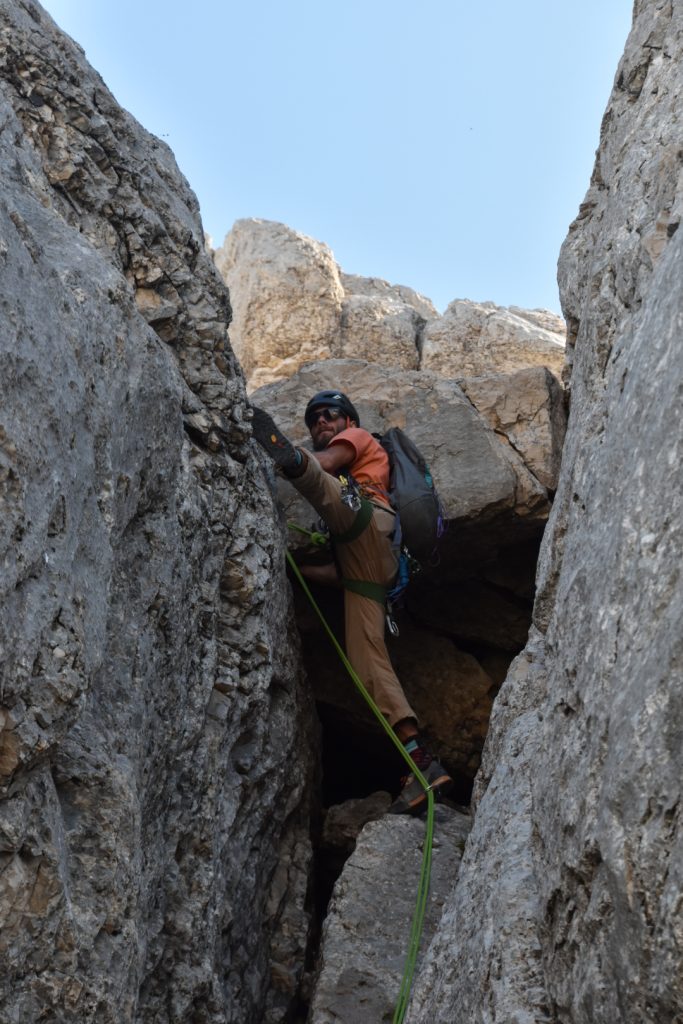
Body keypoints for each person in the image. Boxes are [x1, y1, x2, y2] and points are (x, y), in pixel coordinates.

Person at [251, 390, 452, 814]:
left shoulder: (359, 438)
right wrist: (290, 570)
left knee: (325, 489)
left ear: (348, 420)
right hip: (366, 569)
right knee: (367, 664)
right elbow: (340, 573)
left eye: (330, 415)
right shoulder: (347, 459)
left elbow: (324, 470)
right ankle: (422, 764)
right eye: (314, 420)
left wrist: (291, 459)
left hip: (368, 520)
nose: (322, 423)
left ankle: (287, 457)